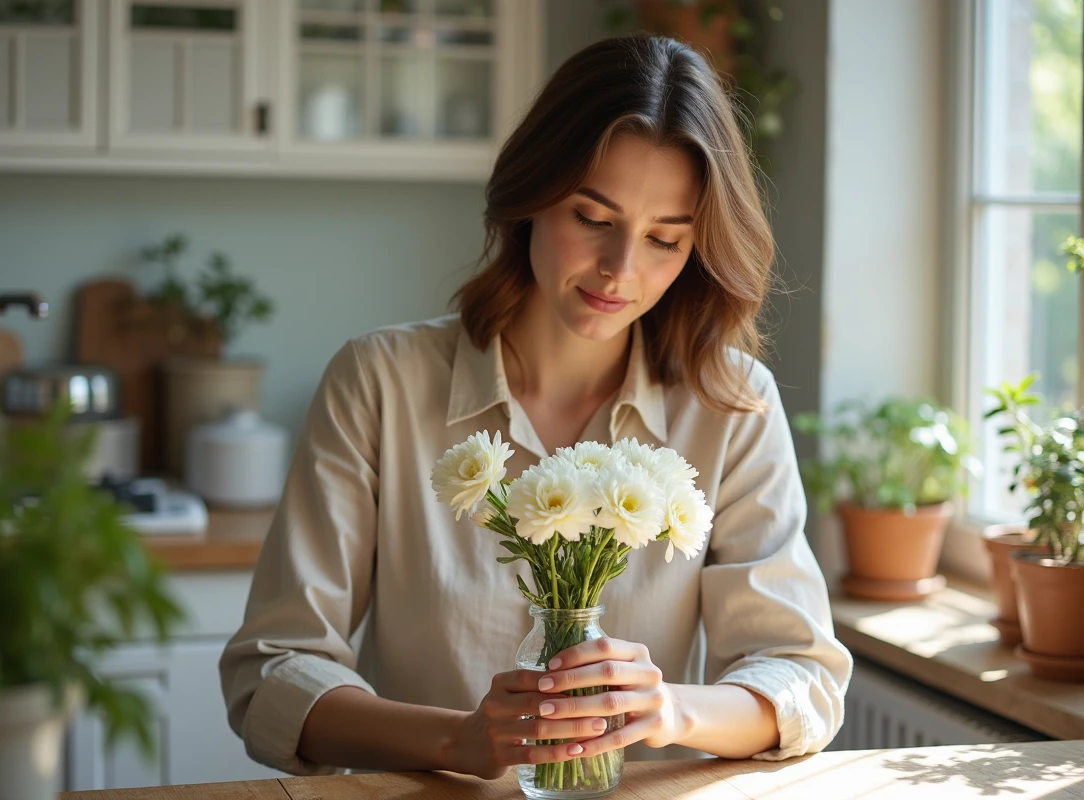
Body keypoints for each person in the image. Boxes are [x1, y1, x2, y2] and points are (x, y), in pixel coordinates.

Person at [219, 33, 853, 779]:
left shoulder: (733, 406)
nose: (622, 270)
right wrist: (457, 742)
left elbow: (799, 675)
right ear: (531, 195)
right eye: (592, 218)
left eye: (665, 240)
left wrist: (669, 711)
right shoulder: (378, 382)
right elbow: (274, 668)